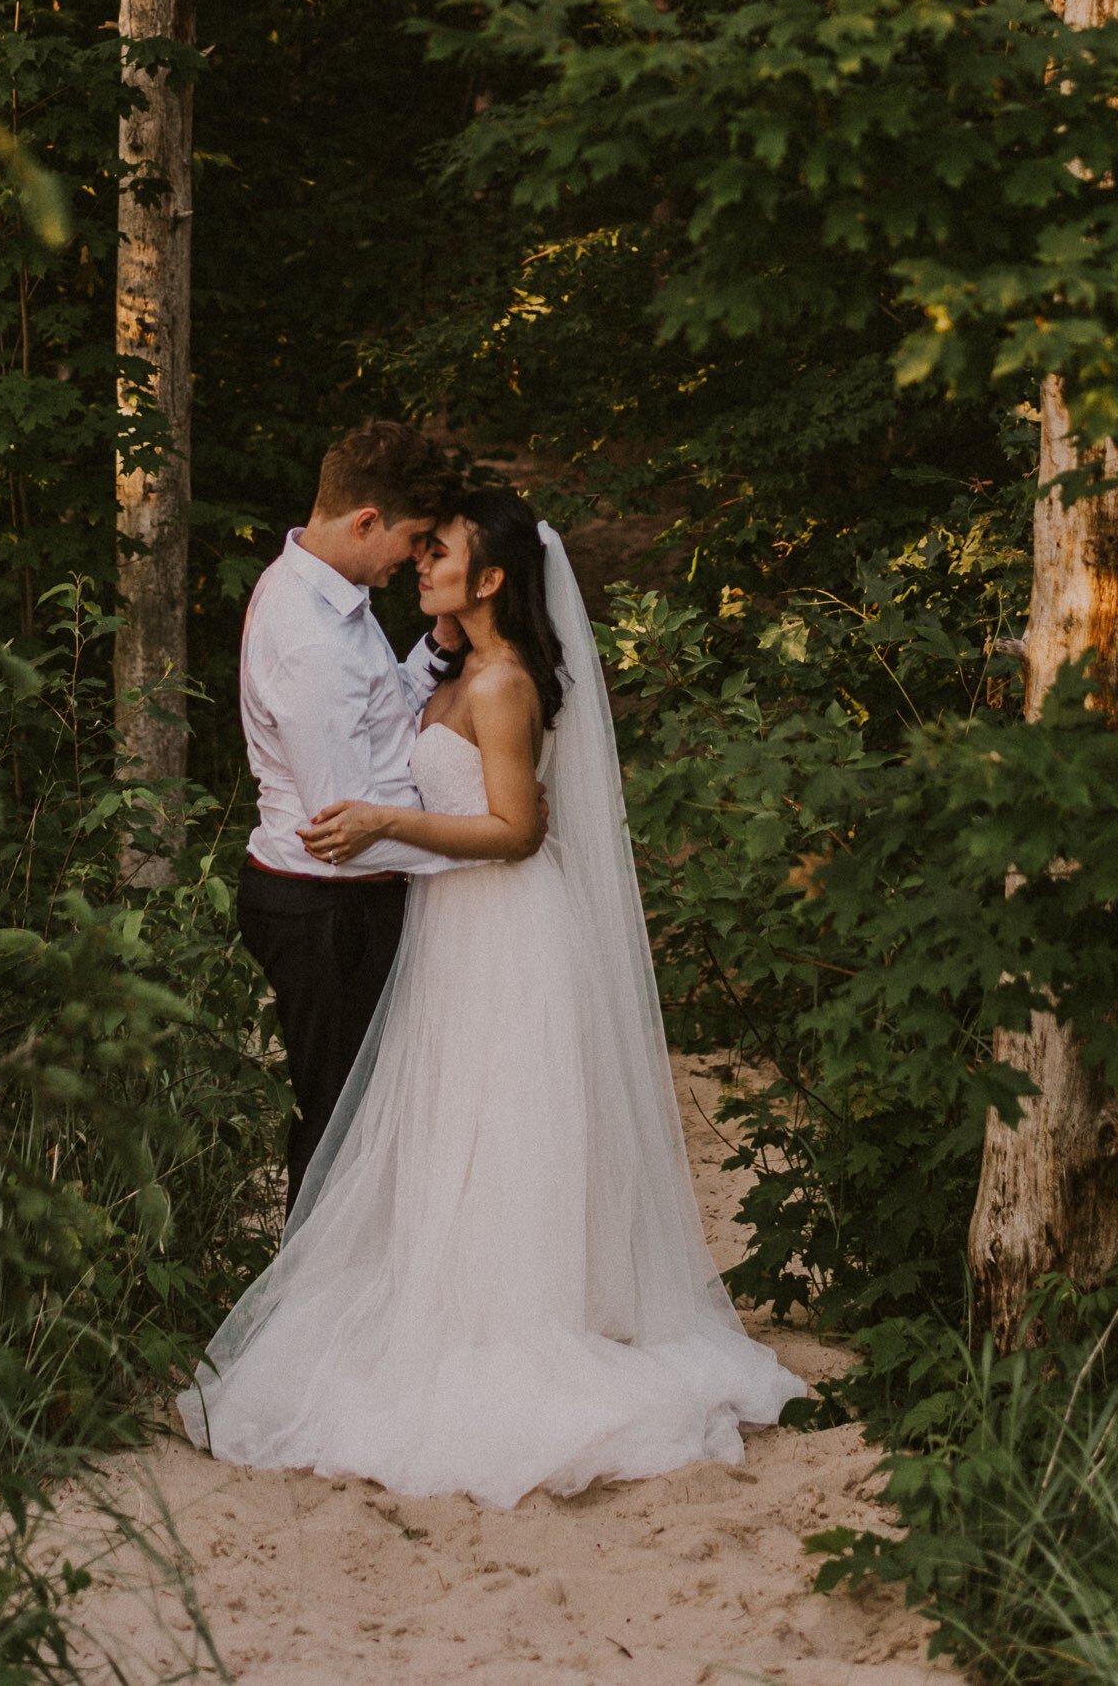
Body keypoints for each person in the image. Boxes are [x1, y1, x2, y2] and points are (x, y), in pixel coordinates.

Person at [184, 486, 800, 1508]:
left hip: (505, 922)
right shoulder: (456, 665)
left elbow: (516, 828)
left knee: (502, 1124)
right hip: (455, 925)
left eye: (442, 553)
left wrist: (391, 818)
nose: (420, 563)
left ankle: (517, 1314)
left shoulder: (503, 681)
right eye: (419, 551)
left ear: (493, 577)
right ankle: (452, 1301)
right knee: (451, 1126)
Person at [234, 418, 474, 1210]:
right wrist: (485, 847)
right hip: (327, 909)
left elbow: (382, 722)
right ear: (366, 521)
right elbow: (347, 829)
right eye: (409, 540)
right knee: (341, 1123)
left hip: (342, 899)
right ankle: (309, 1316)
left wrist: (438, 646)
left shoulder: (333, 596)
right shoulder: (308, 635)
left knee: (368, 1117)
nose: (413, 559)